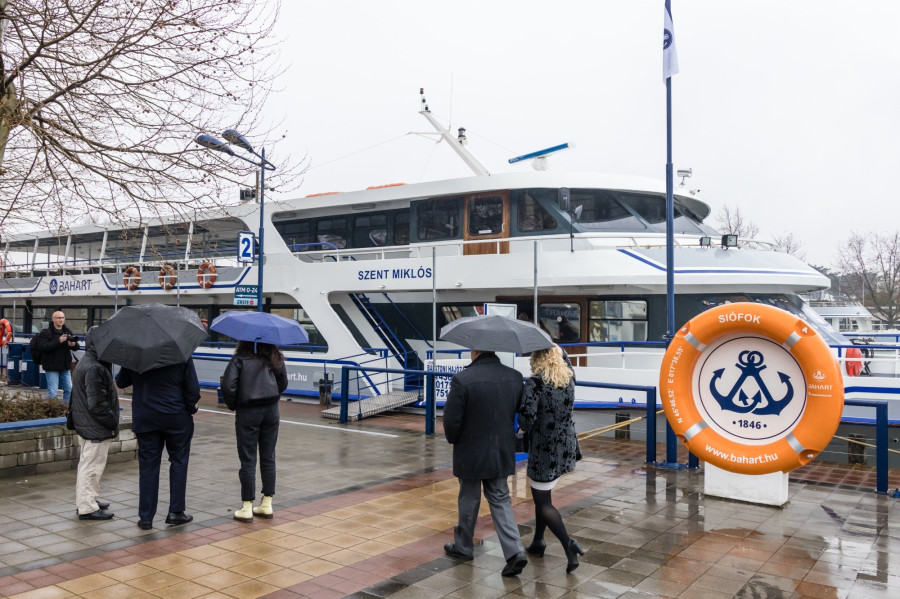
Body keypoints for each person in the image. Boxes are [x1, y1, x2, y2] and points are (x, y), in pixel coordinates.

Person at [442, 348, 528, 577]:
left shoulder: (463, 379)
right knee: (500, 498)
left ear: (476, 351)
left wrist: (454, 439)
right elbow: (524, 414)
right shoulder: (514, 377)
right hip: (501, 450)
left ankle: (463, 546)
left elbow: (451, 420)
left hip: (470, 450)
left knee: (469, 498)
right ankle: (515, 551)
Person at [518, 344, 585, 573]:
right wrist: (559, 348)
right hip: (565, 447)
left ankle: (568, 544)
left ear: (537, 357)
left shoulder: (535, 383)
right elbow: (567, 362)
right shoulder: (568, 379)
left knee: (543, 502)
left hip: (544, 451)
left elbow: (526, 421)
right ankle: (538, 541)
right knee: (543, 495)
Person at [116, 359, 200, 530]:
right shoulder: (180, 354)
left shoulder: (137, 354)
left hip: (146, 417)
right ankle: (176, 512)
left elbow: (121, 382)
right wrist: (190, 409)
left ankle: (146, 517)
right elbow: (192, 390)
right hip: (176, 416)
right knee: (179, 461)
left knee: (148, 466)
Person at [221, 341, 288, 523]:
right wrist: (271, 394)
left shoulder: (239, 359)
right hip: (271, 410)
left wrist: (235, 404)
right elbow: (283, 383)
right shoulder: (275, 357)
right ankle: (267, 503)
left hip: (248, 411)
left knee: (248, 458)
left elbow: (228, 386)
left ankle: (247, 507)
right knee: (268, 456)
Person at [71, 328, 119, 520]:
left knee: (88, 465)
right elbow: (97, 404)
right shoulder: (95, 368)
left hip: (87, 425)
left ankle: (88, 499)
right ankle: (87, 507)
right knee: (91, 468)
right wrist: (112, 421)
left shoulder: (88, 361)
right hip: (95, 428)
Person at [35, 311, 80, 403]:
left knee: (69, 390)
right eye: (58, 318)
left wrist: (73, 344)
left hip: (65, 366)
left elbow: (76, 347)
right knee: (53, 392)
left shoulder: (67, 331)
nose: (61, 320)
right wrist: (58, 341)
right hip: (51, 366)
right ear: (53, 319)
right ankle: (50, 408)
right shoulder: (46, 332)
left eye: (62, 318)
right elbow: (43, 347)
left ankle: (66, 409)